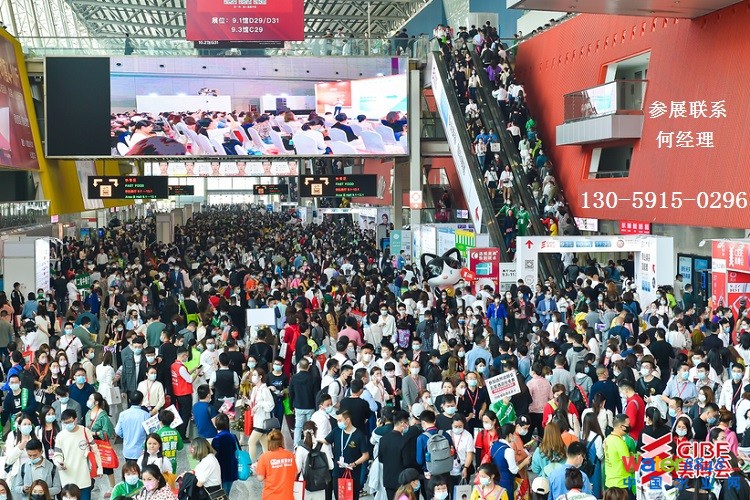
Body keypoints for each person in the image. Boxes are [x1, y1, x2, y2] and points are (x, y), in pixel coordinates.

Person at [53, 409, 102, 500]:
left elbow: (95, 450)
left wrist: (100, 468)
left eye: (69, 422)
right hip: (67, 478)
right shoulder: (60, 436)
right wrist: (59, 462)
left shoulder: (85, 431)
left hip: (84, 476)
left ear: (75, 419)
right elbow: (57, 454)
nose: (67, 425)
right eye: (64, 423)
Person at [324, 410, 370, 500]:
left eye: (340, 420)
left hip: (353, 473)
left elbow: (365, 455)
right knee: (339, 496)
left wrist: (355, 463)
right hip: (338, 471)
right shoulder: (337, 431)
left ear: (348, 420)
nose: (338, 423)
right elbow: (325, 441)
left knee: (351, 497)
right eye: (337, 420)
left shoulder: (359, 435)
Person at [85, 392, 116, 495]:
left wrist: (95, 433)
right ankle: (91, 484)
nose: (88, 401)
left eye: (91, 399)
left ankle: (112, 487)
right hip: (90, 443)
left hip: (100, 443)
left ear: (96, 402)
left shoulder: (103, 415)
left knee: (106, 466)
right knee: (91, 463)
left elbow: (107, 432)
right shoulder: (88, 413)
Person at [294, 421, 334, 500]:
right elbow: (331, 466)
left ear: (303, 432)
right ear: (316, 431)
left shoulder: (300, 448)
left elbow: (297, 469)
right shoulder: (322, 446)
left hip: (304, 484)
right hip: (320, 484)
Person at [256, 429, 297, 500]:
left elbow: (260, 478)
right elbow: (295, 473)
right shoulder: (290, 455)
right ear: (282, 441)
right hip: (287, 496)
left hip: (270, 496)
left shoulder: (264, 457)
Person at [246, 367, 276, 462]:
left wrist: (259, 405)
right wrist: (247, 402)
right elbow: (253, 403)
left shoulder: (264, 390)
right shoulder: (255, 389)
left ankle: (252, 463)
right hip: (257, 419)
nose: (253, 377)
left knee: (251, 442)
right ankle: (268, 462)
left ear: (260, 377)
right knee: (264, 443)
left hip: (262, 420)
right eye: (253, 375)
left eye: (255, 375)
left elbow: (270, 404)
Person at [603, 414, 634, 496]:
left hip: (610, 483)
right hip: (622, 485)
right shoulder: (620, 443)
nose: (629, 427)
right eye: (628, 425)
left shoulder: (608, 439)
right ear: (621, 427)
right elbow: (629, 467)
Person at [115, 391, 150, 462]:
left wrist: (125, 436)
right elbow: (150, 432)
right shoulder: (146, 415)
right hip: (141, 451)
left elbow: (118, 431)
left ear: (129, 400)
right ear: (142, 401)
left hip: (127, 451)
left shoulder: (123, 414)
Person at [210, 413, 240, 493]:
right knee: (227, 491)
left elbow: (212, 454)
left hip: (221, 468)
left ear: (216, 425)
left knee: (221, 493)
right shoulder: (233, 436)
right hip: (231, 466)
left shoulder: (217, 438)